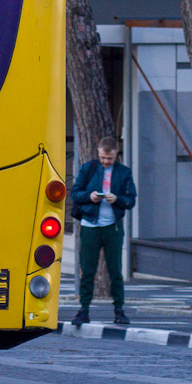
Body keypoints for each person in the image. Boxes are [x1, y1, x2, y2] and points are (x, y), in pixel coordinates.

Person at [70, 136, 137, 327]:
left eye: (109, 158)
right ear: (98, 153)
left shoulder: (124, 173)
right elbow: (75, 193)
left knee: (115, 270)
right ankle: (83, 310)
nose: (106, 162)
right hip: (90, 225)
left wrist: (117, 199)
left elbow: (131, 200)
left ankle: (119, 310)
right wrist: (90, 197)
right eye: (103, 158)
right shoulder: (88, 168)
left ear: (116, 154)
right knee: (87, 270)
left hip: (112, 227)